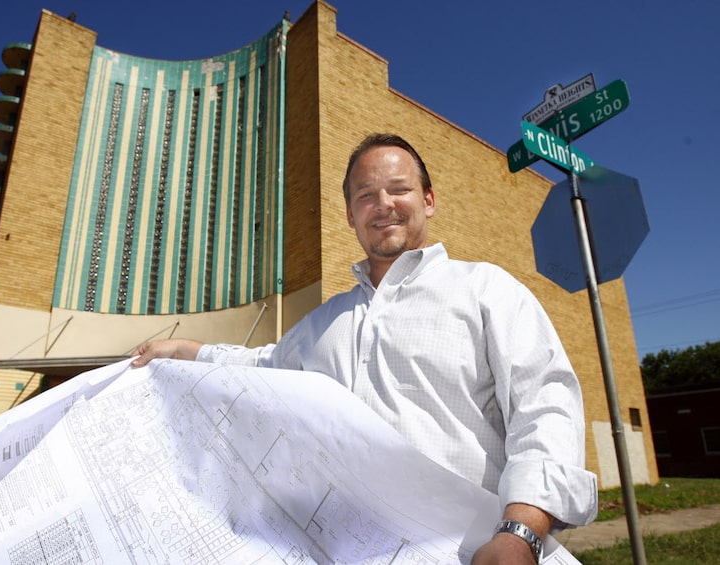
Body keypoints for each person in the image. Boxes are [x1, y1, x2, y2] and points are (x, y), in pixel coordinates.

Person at [132, 133, 598, 564]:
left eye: (399, 189)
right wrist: (189, 352)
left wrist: (521, 533)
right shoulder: (322, 325)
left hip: (472, 552)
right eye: (365, 196)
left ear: (429, 200)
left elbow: (544, 407)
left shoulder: (487, 291)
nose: (384, 205)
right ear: (351, 215)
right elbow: (263, 367)